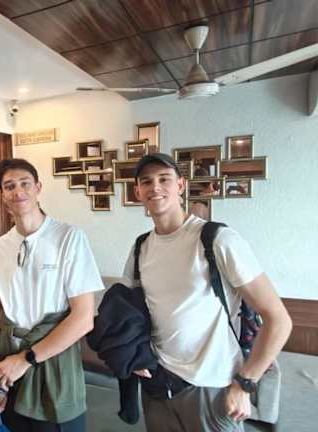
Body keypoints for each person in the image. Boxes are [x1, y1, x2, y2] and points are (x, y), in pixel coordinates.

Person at [125, 153, 292, 432]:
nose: (155, 187)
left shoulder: (217, 240)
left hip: (213, 390)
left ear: (180, 186)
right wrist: (131, 355)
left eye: (164, 179)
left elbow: (278, 319)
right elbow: (130, 312)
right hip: (158, 386)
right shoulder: (140, 247)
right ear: (137, 192)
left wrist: (245, 383)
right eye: (146, 181)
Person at [0, 158, 104, 431]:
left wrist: (26, 360)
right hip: (6, 366)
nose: (18, 191)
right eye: (9, 186)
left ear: (38, 188)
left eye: (25, 183)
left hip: (51, 362)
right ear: (2, 195)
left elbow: (83, 318)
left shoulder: (68, 237)